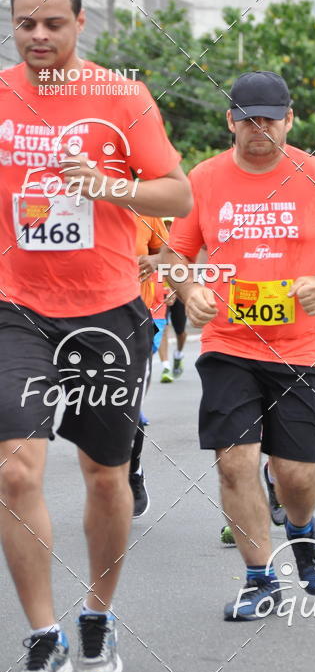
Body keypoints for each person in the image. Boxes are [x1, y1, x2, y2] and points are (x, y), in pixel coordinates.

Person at [0, 0, 192, 672]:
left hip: (107, 309)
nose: (39, 36)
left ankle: (98, 615)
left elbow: (175, 189)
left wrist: (108, 185)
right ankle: (43, 637)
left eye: (53, 22)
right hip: (16, 306)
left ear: (81, 22)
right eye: (25, 23)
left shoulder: (123, 96)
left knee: (105, 474)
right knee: (16, 468)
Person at [163, 70, 315, 621]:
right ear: (230, 120)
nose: (259, 130)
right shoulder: (204, 179)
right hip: (229, 344)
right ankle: (260, 579)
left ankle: (301, 528)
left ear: (289, 120)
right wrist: (189, 288)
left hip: (301, 347)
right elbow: (173, 255)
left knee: (295, 474)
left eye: (269, 120)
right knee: (235, 463)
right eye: (247, 119)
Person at [131, 214, 171, 518]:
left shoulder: (144, 208)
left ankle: (132, 469)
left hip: (135, 318)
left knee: (129, 406)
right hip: (75, 320)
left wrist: (155, 263)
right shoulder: (69, 200)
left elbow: (167, 251)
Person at [158, 217, 188, 382]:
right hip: (161, 292)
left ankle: (178, 354)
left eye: (171, 226)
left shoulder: (183, 245)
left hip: (180, 291)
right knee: (162, 327)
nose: (168, 229)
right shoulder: (157, 244)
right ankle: (166, 367)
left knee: (180, 331)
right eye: (165, 225)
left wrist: (177, 289)